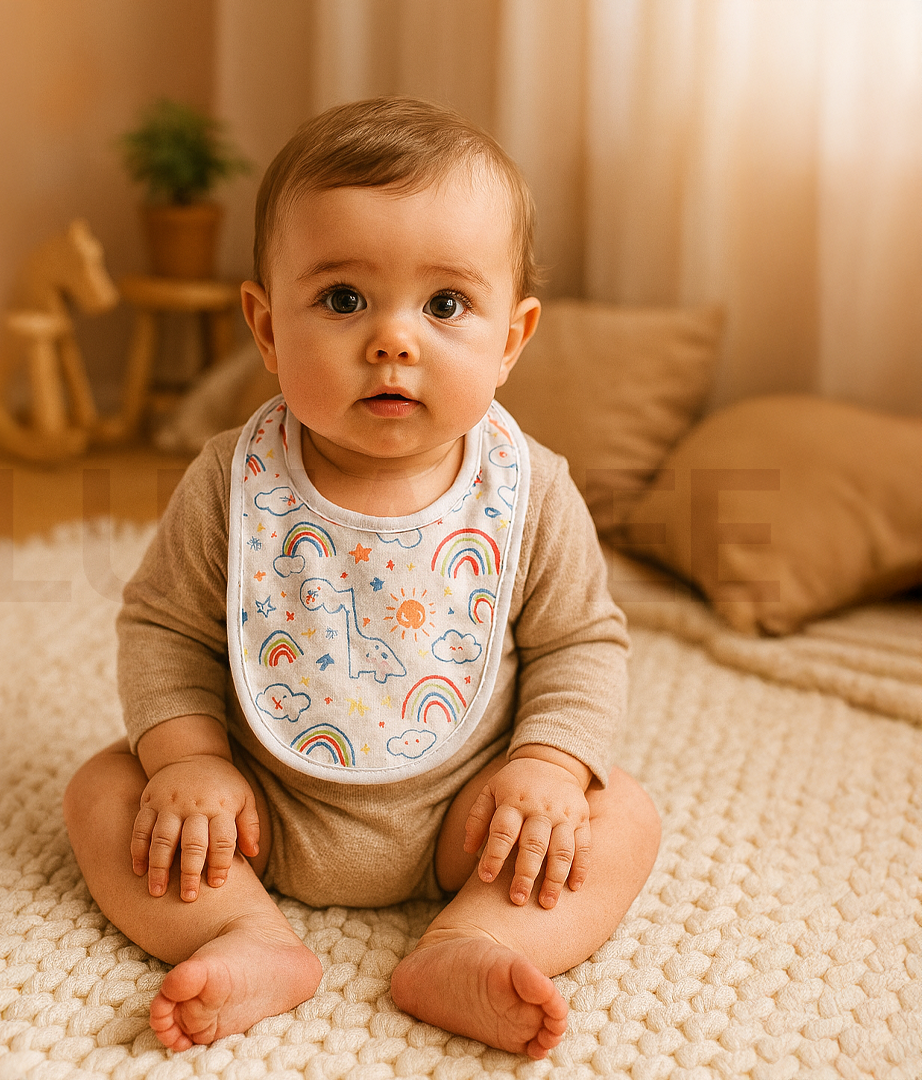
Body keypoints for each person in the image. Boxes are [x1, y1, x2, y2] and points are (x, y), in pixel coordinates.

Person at [64, 97, 660, 1061]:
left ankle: (478, 937)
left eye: (446, 304)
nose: (393, 339)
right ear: (264, 324)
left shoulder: (530, 489)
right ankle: (243, 933)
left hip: (471, 815)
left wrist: (546, 769)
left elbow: (579, 643)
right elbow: (164, 629)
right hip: (258, 803)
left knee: (621, 814)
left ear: (512, 337)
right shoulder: (231, 479)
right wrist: (188, 763)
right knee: (102, 790)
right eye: (343, 299)